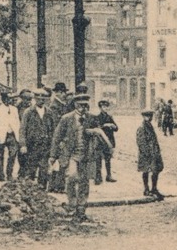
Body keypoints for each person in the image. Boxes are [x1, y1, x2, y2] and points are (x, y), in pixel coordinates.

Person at [51, 92, 109, 220]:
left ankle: (81, 207)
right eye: (80, 105)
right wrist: (53, 156)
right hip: (71, 154)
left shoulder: (92, 118)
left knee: (84, 181)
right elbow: (57, 137)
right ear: (75, 105)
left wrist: (94, 132)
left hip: (86, 154)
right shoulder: (66, 118)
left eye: (85, 105)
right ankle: (72, 204)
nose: (83, 108)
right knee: (71, 177)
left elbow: (101, 136)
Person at [19, 89, 53, 181]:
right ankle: (30, 192)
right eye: (39, 99)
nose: (41, 101)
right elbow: (22, 129)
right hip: (32, 146)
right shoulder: (28, 112)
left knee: (44, 170)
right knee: (31, 170)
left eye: (43, 99)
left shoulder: (49, 112)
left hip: (45, 146)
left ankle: (41, 191)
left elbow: (53, 130)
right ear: (35, 99)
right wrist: (23, 145)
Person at [0, 92, 22, 181]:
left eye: (10, 99)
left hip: (12, 134)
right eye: (7, 99)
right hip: (1, 135)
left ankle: (9, 173)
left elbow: (17, 122)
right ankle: (1, 175)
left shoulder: (14, 109)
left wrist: (18, 133)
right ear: (3, 99)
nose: (9, 100)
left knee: (13, 154)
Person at [136, 107, 165, 200]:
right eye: (147, 116)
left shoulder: (149, 126)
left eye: (150, 116)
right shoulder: (142, 127)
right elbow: (141, 142)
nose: (149, 117)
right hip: (147, 154)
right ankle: (146, 189)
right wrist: (147, 153)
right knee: (146, 171)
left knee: (155, 171)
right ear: (143, 116)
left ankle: (154, 188)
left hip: (154, 153)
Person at [94, 99, 119, 184]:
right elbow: (97, 128)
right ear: (100, 108)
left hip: (109, 141)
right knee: (98, 160)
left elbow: (117, 128)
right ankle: (98, 177)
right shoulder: (97, 117)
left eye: (107, 106)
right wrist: (105, 125)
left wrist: (113, 126)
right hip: (100, 141)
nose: (106, 108)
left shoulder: (110, 117)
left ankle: (109, 176)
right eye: (104, 107)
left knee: (108, 159)